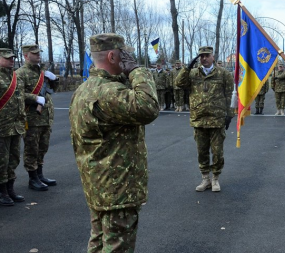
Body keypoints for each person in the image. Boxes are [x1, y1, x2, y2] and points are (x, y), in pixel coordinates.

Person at [69, 33, 159, 252]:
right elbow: (149, 107)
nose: (128, 59)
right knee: (117, 246)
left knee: (99, 242)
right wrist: (137, 71)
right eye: (124, 55)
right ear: (112, 56)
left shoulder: (85, 89)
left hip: (99, 185)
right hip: (116, 189)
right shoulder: (108, 92)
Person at [175, 46, 234, 192]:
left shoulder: (223, 73)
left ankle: (215, 179)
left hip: (217, 118)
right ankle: (205, 179)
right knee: (202, 151)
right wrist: (187, 68)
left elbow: (230, 95)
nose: (204, 59)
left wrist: (229, 115)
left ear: (213, 56)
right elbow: (179, 83)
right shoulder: (193, 73)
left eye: (207, 56)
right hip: (199, 118)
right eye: (201, 56)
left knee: (217, 152)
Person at [17, 44, 56, 191]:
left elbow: (51, 91)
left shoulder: (42, 72)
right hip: (32, 118)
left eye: (39, 52)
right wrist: (35, 98)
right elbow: (18, 95)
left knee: (43, 147)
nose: (38, 55)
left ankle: (40, 175)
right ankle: (32, 178)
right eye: (34, 53)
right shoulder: (20, 73)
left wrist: (54, 80)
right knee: (31, 148)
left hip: (46, 117)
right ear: (26, 56)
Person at [0, 48, 27, 205]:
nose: (11, 60)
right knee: (1, 161)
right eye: (7, 58)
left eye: (12, 58)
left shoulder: (16, 77)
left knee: (14, 158)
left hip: (16, 126)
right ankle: (2, 191)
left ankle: (10, 188)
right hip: (2, 127)